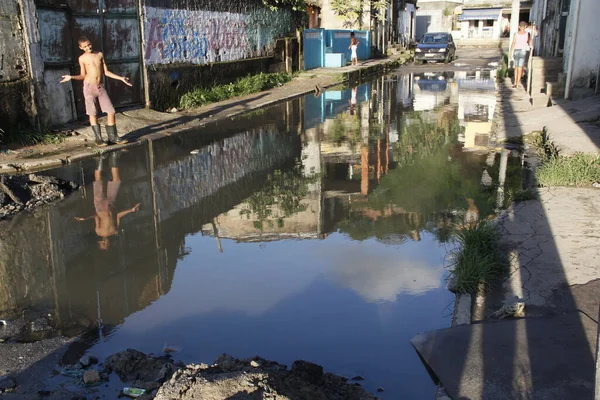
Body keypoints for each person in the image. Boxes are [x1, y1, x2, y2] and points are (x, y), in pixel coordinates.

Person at [60, 36, 132, 146]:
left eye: (89, 44)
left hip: (100, 87)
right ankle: (98, 139)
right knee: (92, 113)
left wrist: (121, 78)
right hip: (89, 87)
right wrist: (72, 77)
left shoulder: (99, 54)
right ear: (81, 47)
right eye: (85, 46)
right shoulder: (82, 58)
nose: (88, 47)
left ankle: (113, 137)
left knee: (111, 111)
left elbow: (106, 72)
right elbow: (83, 75)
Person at [75, 152, 140, 250]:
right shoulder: (115, 231)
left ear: (99, 242)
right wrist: (131, 210)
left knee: (98, 181)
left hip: (100, 206)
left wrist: (86, 218)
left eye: (103, 244)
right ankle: (114, 157)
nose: (105, 243)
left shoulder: (99, 232)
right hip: (111, 203)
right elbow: (118, 216)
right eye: (107, 245)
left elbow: (96, 216)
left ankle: (99, 159)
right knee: (116, 181)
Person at [509, 21, 533, 89]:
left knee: (516, 68)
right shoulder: (527, 34)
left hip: (516, 51)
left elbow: (513, 43)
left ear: (519, 26)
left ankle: (515, 82)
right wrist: (531, 46)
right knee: (519, 68)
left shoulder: (516, 34)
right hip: (523, 51)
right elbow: (530, 42)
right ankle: (517, 83)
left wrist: (511, 52)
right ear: (525, 27)